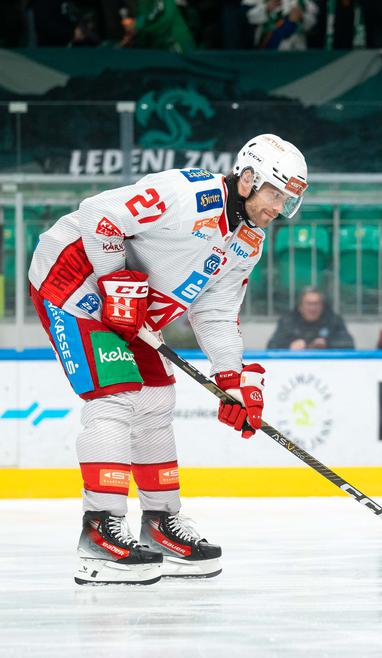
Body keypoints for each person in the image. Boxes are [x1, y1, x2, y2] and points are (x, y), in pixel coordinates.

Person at [28, 133, 308, 585]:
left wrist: (231, 380)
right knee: (116, 398)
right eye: (275, 194)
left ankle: (160, 525)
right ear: (249, 178)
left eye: (286, 201)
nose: (278, 208)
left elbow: (215, 312)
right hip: (74, 281)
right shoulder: (188, 195)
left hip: (132, 305)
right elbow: (99, 213)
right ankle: (99, 530)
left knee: (157, 402)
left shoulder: (248, 242)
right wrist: (115, 281)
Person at [266, 287, 355, 350]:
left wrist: (327, 344)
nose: (313, 308)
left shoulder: (333, 320)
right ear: (300, 306)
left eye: (316, 304)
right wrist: (290, 346)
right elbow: (272, 345)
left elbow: (349, 344)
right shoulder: (288, 320)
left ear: (322, 306)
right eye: (309, 304)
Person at [243, 0, 318, 50]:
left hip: (296, 49)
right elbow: (247, 17)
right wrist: (266, 8)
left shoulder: (303, 2)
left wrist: (301, 17)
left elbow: (313, 22)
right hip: (267, 49)